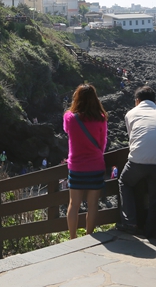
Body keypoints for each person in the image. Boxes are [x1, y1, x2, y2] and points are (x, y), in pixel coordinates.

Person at [117, 86, 156, 239]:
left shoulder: (131, 113)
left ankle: (130, 222)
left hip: (138, 162)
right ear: (154, 101)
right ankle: (152, 232)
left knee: (124, 182)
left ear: (137, 101)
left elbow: (132, 137)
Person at [63, 83, 108, 238]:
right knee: (93, 204)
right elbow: (102, 144)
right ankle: (89, 236)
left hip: (76, 166)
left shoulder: (69, 117)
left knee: (73, 204)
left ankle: (72, 237)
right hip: (95, 165)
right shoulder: (101, 118)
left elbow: (66, 131)